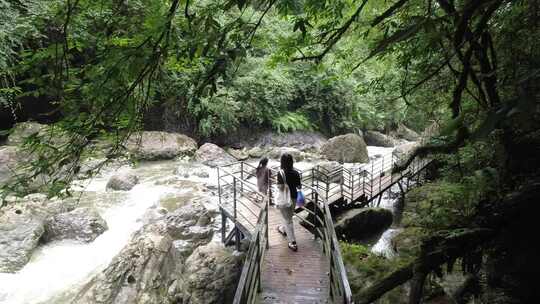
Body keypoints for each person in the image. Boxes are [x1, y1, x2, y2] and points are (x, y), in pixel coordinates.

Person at [276, 153, 301, 251]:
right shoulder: (296, 173)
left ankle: (292, 242)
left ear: (282, 162)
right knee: (288, 216)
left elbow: (281, 187)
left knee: (288, 219)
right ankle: (283, 229)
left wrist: (280, 184)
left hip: (284, 199)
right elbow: (299, 186)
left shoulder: (281, 173)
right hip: (294, 197)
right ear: (291, 162)